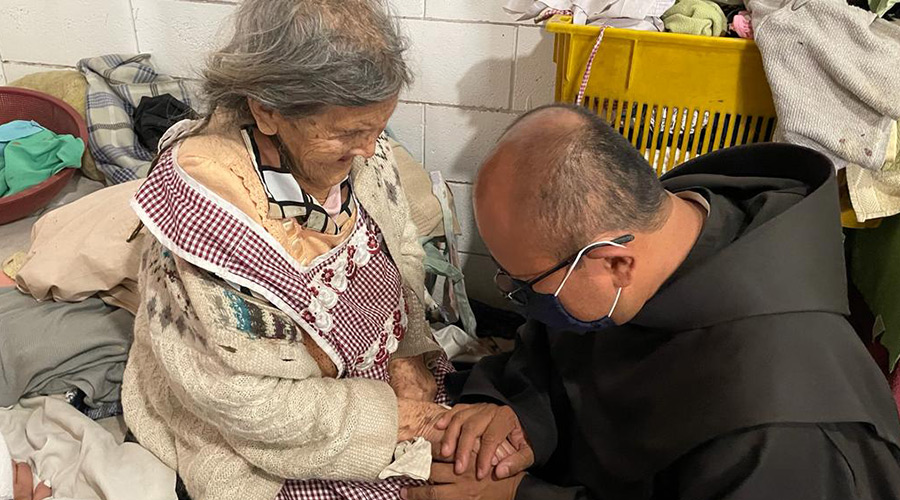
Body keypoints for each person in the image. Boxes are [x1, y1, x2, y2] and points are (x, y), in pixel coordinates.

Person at [405, 104, 900, 500]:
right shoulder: (665, 225)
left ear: (616, 264)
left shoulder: (780, 433)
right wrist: (521, 415)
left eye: (527, 283)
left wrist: (521, 495)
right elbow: (561, 351)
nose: (521, 299)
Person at [121, 1, 457, 499]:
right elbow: (237, 399)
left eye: (378, 128)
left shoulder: (360, 148)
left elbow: (399, 252)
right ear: (266, 110)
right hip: (260, 417)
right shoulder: (209, 208)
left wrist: (407, 357)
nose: (369, 148)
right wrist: (391, 419)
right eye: (348, 134)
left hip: (369, 373)